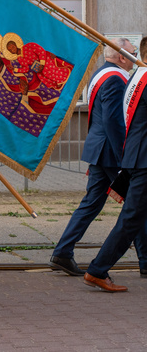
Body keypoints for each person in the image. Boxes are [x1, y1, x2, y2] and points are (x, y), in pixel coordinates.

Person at [51, 39, 147, 276]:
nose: (137, 60)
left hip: (99, 150)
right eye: (134, 54)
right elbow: (114, 122)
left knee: (91, 204)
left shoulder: (101, 73)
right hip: (112, 153)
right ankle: (145, 261)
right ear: (123, 57)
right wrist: (123, 156)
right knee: (136, 208)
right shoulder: (115, 78)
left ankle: (63, 251)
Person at [84, 37, 147, 292]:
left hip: (137, 156)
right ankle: (98, 269)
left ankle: (101, 268)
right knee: (131, 218)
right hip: (143, 158)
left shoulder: (136, 77)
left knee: (134, 216)